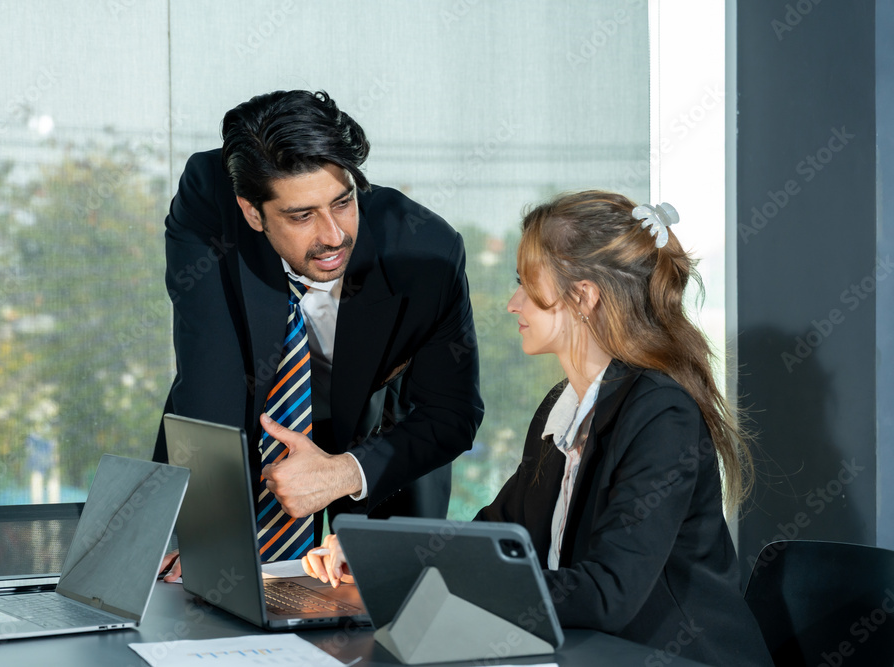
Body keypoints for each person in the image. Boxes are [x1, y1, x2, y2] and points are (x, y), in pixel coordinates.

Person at [303, 191, 772, 666]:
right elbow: (495, 536)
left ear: (583, 296)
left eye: (527, 285)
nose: (512, 303)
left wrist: (415, 571)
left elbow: (607, 593)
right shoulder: (564, 406)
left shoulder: (661, 413)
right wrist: (380, 557)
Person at [154, 90, 483, 575]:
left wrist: (347, 471)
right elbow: (212, 372)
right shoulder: (212, 198)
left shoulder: (426, 252)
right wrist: (203, 526)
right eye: (301, 216)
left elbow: (451, 411)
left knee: (377, 619)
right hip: (242, 431)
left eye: (343, 202)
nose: (333, 235)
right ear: (252, 213)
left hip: (383, 446)